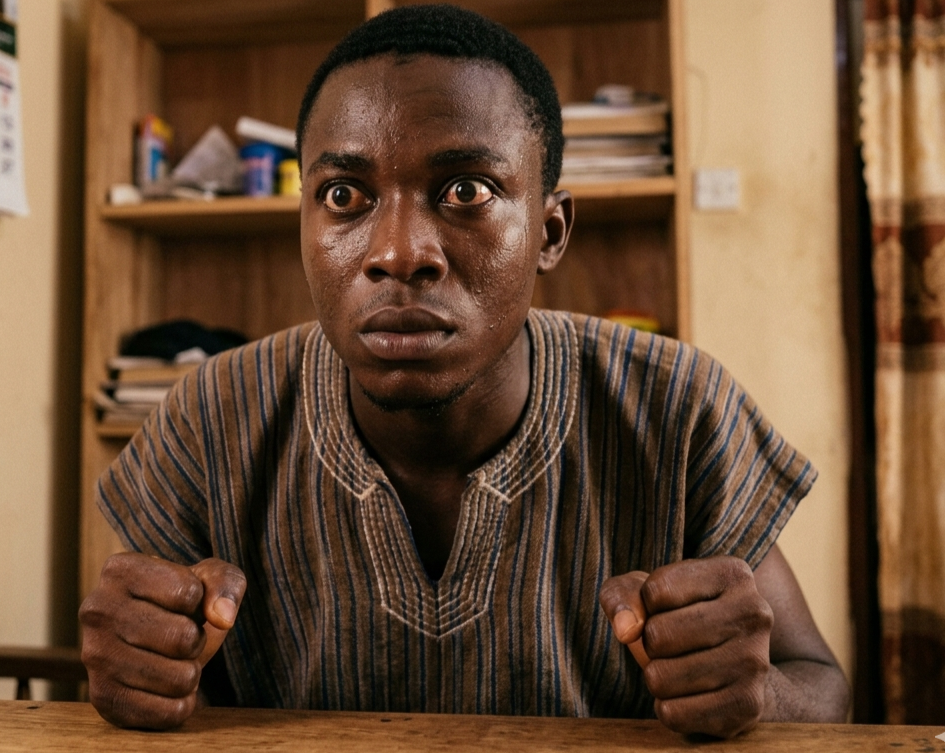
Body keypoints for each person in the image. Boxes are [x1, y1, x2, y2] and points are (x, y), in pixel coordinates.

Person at [79, 4, 849, 738]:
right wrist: (132, 670)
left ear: (550, 230)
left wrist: (759, 692)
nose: (398, 251)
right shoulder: (212, 416)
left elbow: (823, 686)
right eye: (344, 195)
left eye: (465, 191)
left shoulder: (679, 408)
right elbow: (141, 676)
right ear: (305, 222)